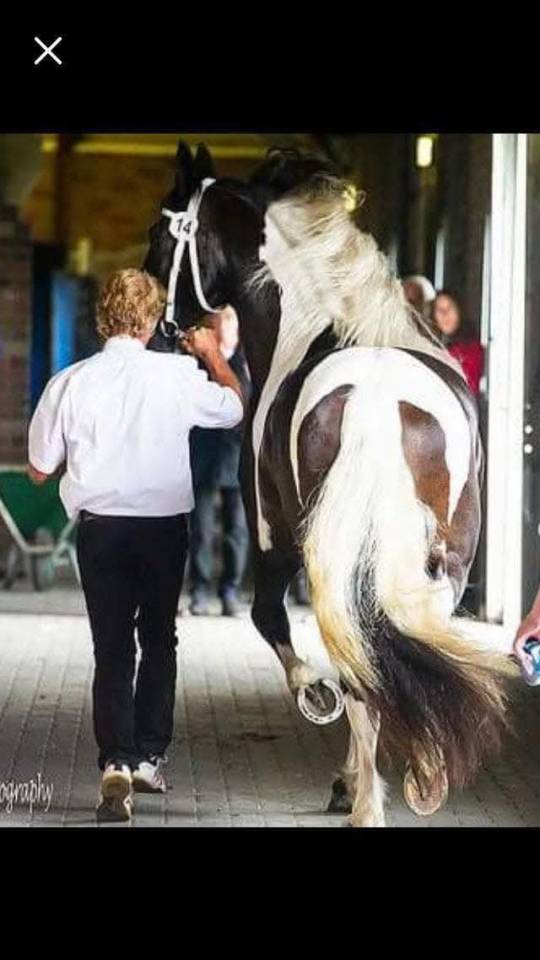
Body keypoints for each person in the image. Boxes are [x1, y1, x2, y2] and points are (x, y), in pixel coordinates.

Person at [27, 268, 244, 823]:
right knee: (159, 640)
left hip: (101, 528)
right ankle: (148, 757)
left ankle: (114, 765)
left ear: (104, 318)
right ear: (151, 321)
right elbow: (234, 409)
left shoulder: (70, 381)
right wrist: (213, 354)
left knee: (112, 647)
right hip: (162, 528)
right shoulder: (176, 374)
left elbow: (36, 469)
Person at [189, 306, 250, 617]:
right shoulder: (194, 363)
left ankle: (230, 591)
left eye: (228, 319)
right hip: (202, 454)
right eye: (218, 320)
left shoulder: (249, 361)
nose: (222, 326)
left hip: (237, 458)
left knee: (236, 529)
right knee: (200, 529)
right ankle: (199, 591)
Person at [432, 289, 484, 395]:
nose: (444, 314)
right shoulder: (433, 346)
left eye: (449, 308)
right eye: (439, 309)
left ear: (459, 311)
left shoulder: (472, 349)